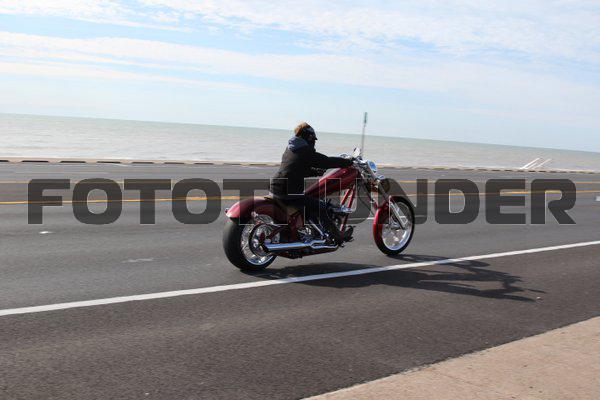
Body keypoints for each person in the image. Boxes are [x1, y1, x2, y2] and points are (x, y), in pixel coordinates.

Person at [270, 122, 353, 243]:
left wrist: (314, 172)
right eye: (313, 139)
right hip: (289, 192)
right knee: (322, 207)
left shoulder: (291, 148)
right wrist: (347, 162)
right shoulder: (304, 151)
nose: (314, 142)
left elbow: (294, 168)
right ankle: (336, 236)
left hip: (276, 188)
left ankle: (313, 231)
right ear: (309, 137)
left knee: (311, 202)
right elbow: (325, 161)